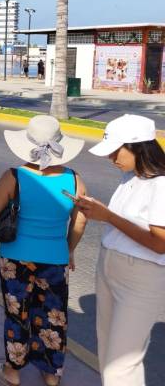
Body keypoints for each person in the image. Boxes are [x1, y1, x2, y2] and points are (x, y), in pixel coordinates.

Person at [0, 115, 88, 386]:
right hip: (55, 259)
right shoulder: (74, 179)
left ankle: (12, 372)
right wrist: (68, 250)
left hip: (15, 258)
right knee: (53, 317)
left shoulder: (14, 176)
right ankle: (50, 374)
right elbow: (81, 220)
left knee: (17, 313)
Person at [72, 115, 165, 386]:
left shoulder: (161, 184)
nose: (111, 158)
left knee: (120, 366)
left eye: (116, 150)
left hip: (141, 277)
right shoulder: (130, 177)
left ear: (138, 147)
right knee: (107, 356)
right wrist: (97, 211)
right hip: (109, 268)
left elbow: (160, 243)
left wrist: (108, 216)